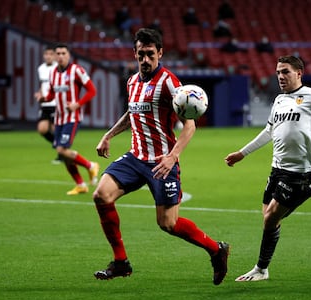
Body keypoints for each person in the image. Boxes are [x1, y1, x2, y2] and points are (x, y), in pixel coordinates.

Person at [92, 28, 229, 285]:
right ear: (135, 53)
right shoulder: (132, 81)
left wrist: (172, 157)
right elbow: (132, 114)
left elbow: (189, 125)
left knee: (168, 223)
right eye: (141, 54)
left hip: (161, 162)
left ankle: (216, 249)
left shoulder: (169, 82)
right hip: (135, 158)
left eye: (150, 54)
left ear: (160, 53)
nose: (145, 59)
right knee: (101, 194)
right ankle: (121, 262)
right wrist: (108, 135)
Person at [225, 55, 311, 281]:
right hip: (277, 167)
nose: (280, 76)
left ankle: (261, 269)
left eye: (285, 72)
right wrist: (242, 153)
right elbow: (269, 132)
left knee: (271, 218)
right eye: (278, 72)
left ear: (299, 73)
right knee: (268, 219)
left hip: (300, 169)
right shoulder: (279, 100)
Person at [35, 43, 100, 195]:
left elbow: (92, 90)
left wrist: (78, 104)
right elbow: (52, 94)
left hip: (72, 117)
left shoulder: (77, 70)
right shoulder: (52, 74)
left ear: (68, 55)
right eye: (58, 53)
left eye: (63, 53)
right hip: (58, 118)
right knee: (64, 153)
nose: (60, 56)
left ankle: (90, 165)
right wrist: (44, 98)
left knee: (61, 150)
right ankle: (81, 184)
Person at [35, 46, 61, 164]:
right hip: (45, 103)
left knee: (55, 129)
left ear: (54, 56)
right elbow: (43, 84)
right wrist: (40, 93)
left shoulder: (58, 68)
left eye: (51, 54)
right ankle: (58, 145)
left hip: (55, 102)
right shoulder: (41, 68)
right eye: (46, 54)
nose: (48, 56)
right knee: (42, 129)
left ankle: (61, 155)